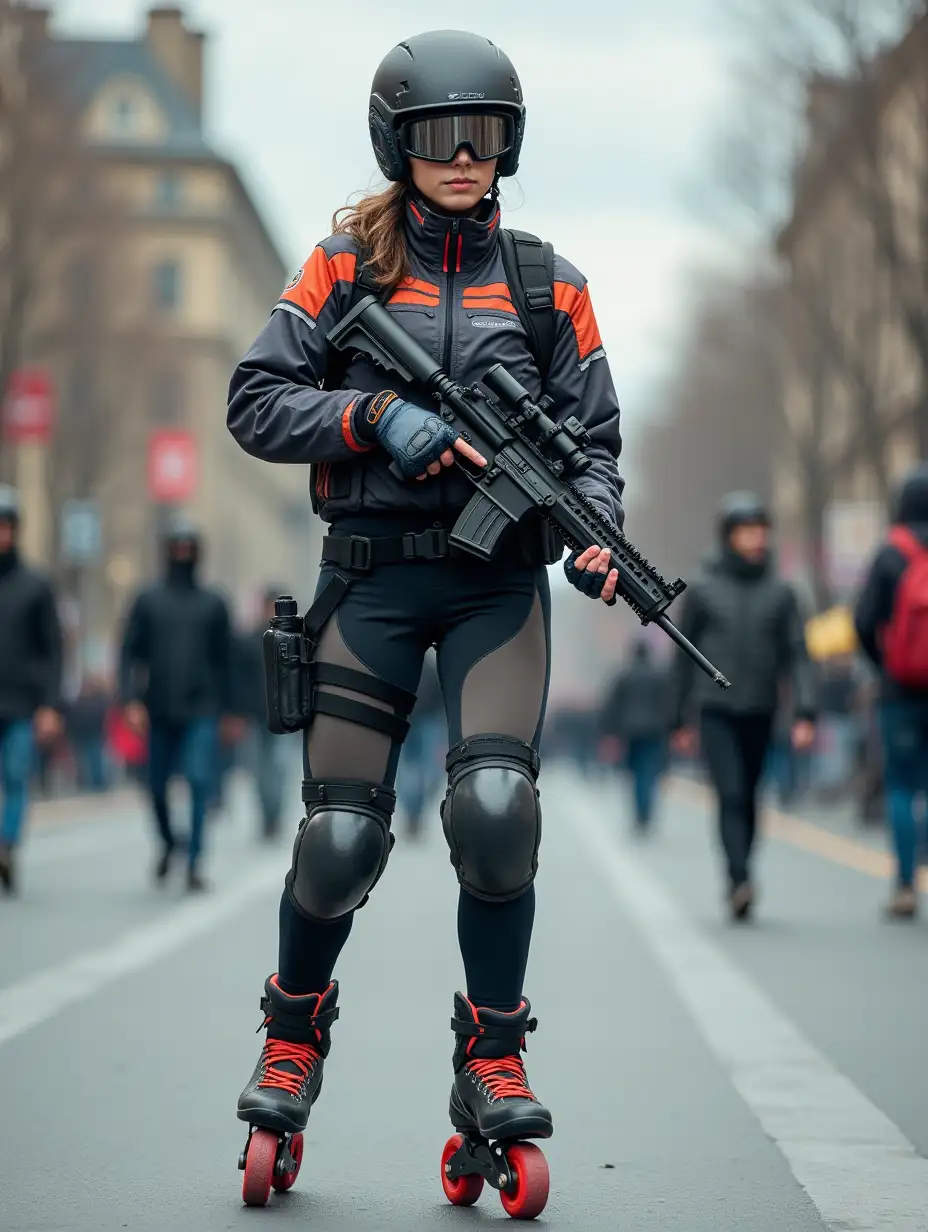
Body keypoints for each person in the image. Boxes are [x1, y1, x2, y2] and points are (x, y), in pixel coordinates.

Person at [226, 29, 624, 1210]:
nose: (463, 155)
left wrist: (595, 530)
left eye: (484, 135)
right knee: (339, 840)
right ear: (397, 144)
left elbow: (595, 447)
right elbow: (256, 398)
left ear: (507, 147)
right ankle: (292, 1038)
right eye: (440, 136)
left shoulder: (555, 283)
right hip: (373, 579)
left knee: (497, 813)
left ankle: (491, 1059)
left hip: (499, 585)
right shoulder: (341, 266)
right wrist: (369, 422)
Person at [671, 492, 817, 921]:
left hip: (761, 708)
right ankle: (738, 879)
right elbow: (682, 657)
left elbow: (798, 654)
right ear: (728, 535)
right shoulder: (703, 590)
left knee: (751, 794)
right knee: (730, 793)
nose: (756, 539)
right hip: (714, 709)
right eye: (746, 531)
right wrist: (678, 718)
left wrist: (805, 712)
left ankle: (743, 871)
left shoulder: (782, 593)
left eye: (761, 531)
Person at [118, 514, 242, 892]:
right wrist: (130, 701)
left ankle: (194, 862)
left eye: (189, 547)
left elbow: (229, 661)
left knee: (201, 780)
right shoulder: (148, 600)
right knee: (155, 788)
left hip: (202, 708)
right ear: (167, 551)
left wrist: (232, 711)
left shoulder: (214, 603)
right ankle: (171, 843)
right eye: (177, 547)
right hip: (157, 708)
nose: (183, 553)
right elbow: (128, 653)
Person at [854, 464, 928, 919]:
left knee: (901, 787)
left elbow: (863, 622)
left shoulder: (889, 554)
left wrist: (886, 666)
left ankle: (905, 882)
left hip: (900, 691)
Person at [0, 485, 63, 893]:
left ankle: (6, 846)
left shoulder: (36, 585)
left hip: (22, 703)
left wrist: (49, 706)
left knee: (16, 776)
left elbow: (53, 649)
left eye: (6, 526)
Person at [235, 586, 297, 841]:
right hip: (256, 717)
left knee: (279, 770)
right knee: (259, 772)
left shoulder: (292, 640)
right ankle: (267, 817)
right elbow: (237, 679)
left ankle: (275, 816)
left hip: (283, 717)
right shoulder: (249, 640)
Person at [599, 640, 670, 832]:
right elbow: (668, 703)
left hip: (630, 731)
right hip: (655, 731)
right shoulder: (660, 676)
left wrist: (609, 732)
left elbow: (612, 705)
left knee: (636, 773)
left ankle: (639, 812)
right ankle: (646, 811)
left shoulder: (624, 676)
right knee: (649, 772)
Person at [394, 649, 445, 840]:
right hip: (409, 722)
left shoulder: (428, 666)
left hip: (424, 722)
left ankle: (414, 813)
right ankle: (412, 814)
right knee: (410, 771)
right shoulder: (405, 664)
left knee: (421, 771)